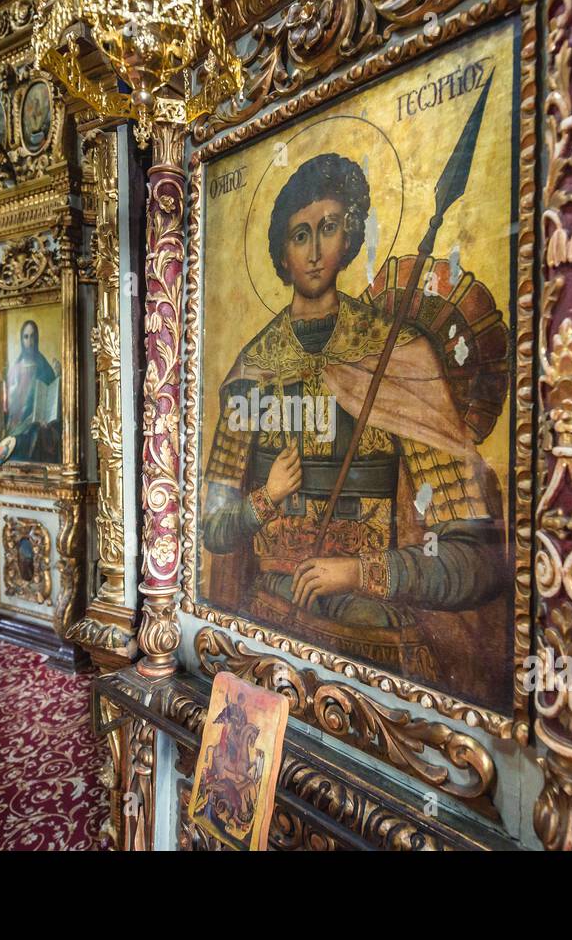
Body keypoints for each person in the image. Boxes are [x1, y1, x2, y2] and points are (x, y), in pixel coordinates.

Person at [202, 153, 508, 686]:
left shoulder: (401, 357)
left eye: (329, 228)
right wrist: (264, 501)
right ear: (281, 252)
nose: (315, 252)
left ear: (351, 236)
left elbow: (475, 560)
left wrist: (363, 574)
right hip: (269, 621)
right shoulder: (250, 371)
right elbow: (212, 529)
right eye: (300, 235)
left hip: (376, 637)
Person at [1, 319, 61, 462]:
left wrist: (58, 376)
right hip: (16, 427)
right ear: (22, 340)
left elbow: (52, 398)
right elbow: (8, 405)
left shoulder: (44, 367)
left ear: (37, 338)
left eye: (33, 336)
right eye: (26, 337)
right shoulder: (15, 369)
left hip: (38, 428)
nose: (30, 341)